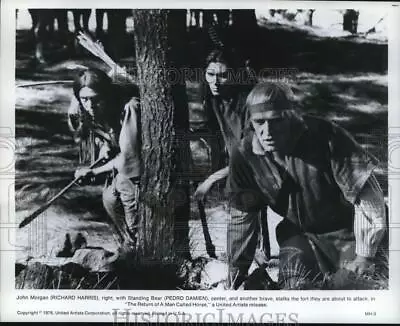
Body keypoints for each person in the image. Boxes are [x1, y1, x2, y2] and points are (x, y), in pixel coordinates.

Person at [227, 82, 387, 289]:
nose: (267, 131)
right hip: (299, 236)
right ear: (250, 122)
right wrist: (235, 272)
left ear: (292, 117)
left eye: (276, 121)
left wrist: (365, 256)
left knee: (353, 287)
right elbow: (242, 217)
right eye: (259, 122)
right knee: (295, 287)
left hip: (350, 232)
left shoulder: (326, 135)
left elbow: (368, 196)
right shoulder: (245, 156)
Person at [192, 48, 271, 263]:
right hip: (239, 164)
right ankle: (250, 254)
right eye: (210, 74)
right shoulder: (213, 98)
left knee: (244, 208)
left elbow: (250, 154)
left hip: (263, 163)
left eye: (223, 75)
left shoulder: (249, 103)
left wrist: (211, 179)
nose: (215, 82)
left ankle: (248, 261)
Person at [67, 68, 142, 248]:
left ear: (107, 95)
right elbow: (107, 138)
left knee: (125, 189)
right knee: (109, 198)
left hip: (137, 173)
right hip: (122, 168)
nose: (90, 106)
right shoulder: (89, 111)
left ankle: (139, 248)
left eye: (95, 99)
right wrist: (105, 148)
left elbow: (129, 158)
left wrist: (93, 171)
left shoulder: (130, 108)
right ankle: (129, 246)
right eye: (84, 100)